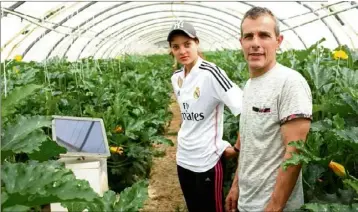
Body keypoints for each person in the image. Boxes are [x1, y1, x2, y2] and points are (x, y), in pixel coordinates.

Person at [225, 6, 313, 212]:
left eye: (264, 35)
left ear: (278, 41)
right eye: (249, 36)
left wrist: (273, 207)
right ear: (241, 43)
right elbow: (248, 143)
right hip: (247, 201)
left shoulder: (290, 83)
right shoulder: (249, 85)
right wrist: (236, 185)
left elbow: (295, 153)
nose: (255, 43)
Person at [167, 20, 243, 212]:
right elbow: (187, 115)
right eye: (176, 46)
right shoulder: (176, 78)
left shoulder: (211, 73)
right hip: (183, 157)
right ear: (171, 50)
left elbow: (245, 109)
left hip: (207, 160)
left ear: (196, 43)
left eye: (187, 44)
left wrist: (237, 147)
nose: (182, 51)